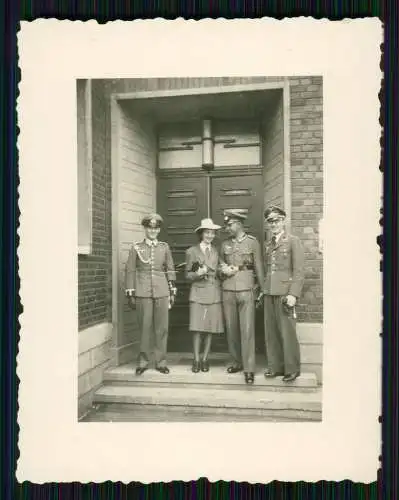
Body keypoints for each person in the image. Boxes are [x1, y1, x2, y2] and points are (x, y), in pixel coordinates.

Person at [125, 213, 177, 376]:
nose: (153, 231)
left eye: (156, 228)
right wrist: (131, 292)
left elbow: (169, 268)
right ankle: (143, 362)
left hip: (162, 290)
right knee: (145, 328)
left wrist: (172, 290)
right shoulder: (136, 247)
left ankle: (161, 362)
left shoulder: (164, 247)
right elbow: (130, 270)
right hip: (142, 290)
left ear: (159, 229)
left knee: (162, 328)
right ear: (145, 228)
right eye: (150, 227)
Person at [219, 209, 264, 384]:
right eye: (226, 224)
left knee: (247, 330)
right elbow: (219, 265)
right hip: (228, 290)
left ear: (238, 224)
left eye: (229, 224)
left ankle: (249, 368)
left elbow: (259, 267)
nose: (227, 228)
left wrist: (262, 289)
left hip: (246, 289)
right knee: (232, 329)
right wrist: (222, 269)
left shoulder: (252, 243)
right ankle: (236, 362)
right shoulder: (224, 245)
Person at [263, 206, 305, 382]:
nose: (274, 224)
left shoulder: (293, 241)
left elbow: (299, 270)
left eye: (277, 220)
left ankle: (292, 369)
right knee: (271, 332)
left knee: (287, 332)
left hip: (285, 294)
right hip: (270, 292)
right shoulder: (269, 243)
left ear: (283, 221)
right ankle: (276, 366)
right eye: (270, 222)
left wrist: (293, 294)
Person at [185, 218, 224, 373]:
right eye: (207, 232)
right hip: (198, 293)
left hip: (213, 292)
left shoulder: (216, 251)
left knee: (209, 328)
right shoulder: (191, 251)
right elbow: (187, 275)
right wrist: (197, 274)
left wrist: (225, 269)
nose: (210, 236)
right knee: (197, 328)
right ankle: (196, 359)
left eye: (212, 233)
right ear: (201, 234)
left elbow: (220, 269)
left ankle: (205, 359)